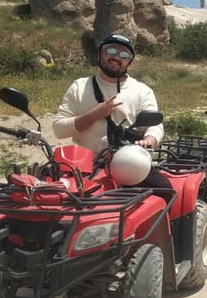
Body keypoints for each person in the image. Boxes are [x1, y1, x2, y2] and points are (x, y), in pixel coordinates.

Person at [52, 32, 172, 195]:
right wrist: (95, 113)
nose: (116, 57)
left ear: (129, 60)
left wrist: (149, 140)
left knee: (166, 192)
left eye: (123, 54)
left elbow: (155, 125)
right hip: (81, 165)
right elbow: (59, 129)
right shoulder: (79, 87)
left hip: (127, 162)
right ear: (100, 54)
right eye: (110, 51)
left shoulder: (142, 91)